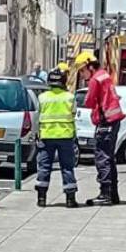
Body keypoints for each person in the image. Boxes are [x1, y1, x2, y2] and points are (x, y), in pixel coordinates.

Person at [80, 51, 125, 206]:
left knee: (102, 157)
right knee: (110, 158)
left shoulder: (95, 80)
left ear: (89, 66)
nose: (81, 74)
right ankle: (113, 194)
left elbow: (89, 102)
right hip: (114, 120)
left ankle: (105, 194)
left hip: (106, 121)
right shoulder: (104, 75)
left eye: (82, 70)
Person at [34, 69, 80, 208]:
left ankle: (41, 199)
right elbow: (73, 114)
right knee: (67, 167)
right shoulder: (70, 97)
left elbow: (37, 118)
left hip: (46, 136)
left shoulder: (42, 97)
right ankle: (70, 200)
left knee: (44, 167)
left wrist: (37, 134)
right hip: (65, 136)